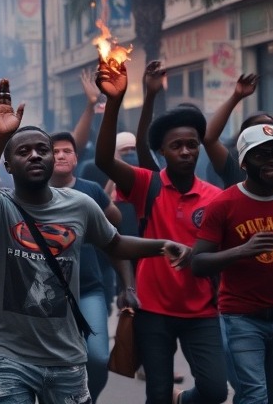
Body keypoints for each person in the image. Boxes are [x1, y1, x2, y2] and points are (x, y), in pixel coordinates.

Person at [0, 79, 189, 404]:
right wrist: (0, 137)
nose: (36, 155)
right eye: (23, 152)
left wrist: (162, 245)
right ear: (9, 166)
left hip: (64, 355)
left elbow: (115, 244)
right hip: (7, 354)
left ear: (54, 161)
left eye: (43, 150)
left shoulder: (80, 204)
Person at [95, 59, 228, 404]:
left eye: (192, 144)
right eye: (176, 146)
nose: (185, 151)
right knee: (156, 392)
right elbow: (104, 161)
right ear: (162, 152)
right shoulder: (147, 185)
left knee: (214, 390)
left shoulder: (215, 198)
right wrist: (116, 101)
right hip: (153, 310)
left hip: (203, 312)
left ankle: (183, 400)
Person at [192, 123, 273, 403]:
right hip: (242, 318)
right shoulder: (224, 204)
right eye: (261, 155)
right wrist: (241, 251)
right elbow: (198, 262)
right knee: (255, 395)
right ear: (243, 162)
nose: (270, 161)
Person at [50, 131, 124, 403]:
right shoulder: (34, 189)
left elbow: (114, 228)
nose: (60, 155)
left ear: (76, 157)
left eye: (66, 151)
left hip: (90, 287)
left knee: (98, 357)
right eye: (54, 151)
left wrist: (125, 283)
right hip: (48, 293)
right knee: (55, 362)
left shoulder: (90, 189)